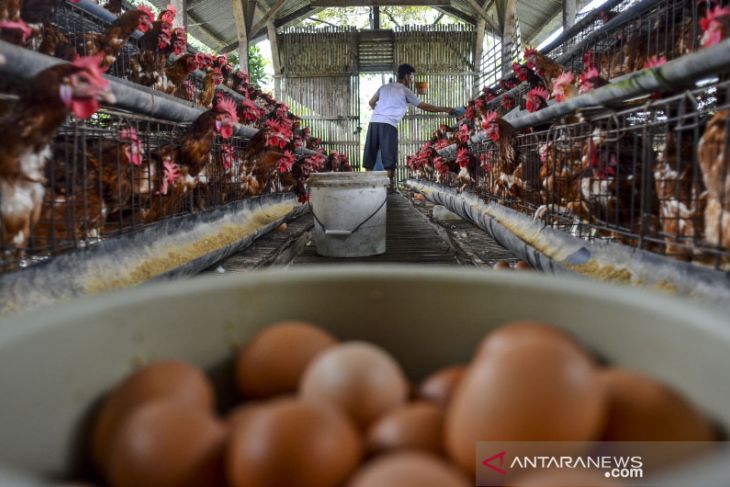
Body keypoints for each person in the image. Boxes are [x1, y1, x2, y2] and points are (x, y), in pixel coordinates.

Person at [364, 64, 455, 191]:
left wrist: (380, 112)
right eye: (411, 77)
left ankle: (368, 189)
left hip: (374, 122)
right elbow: (424, 106)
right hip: (388, 125)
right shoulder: (404, 90)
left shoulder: (383, 87)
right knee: (389, 160)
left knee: (370, 158)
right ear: (406, 76)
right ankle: (387, 190)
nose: (412, 80)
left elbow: (371, 102)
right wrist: (445, 109)